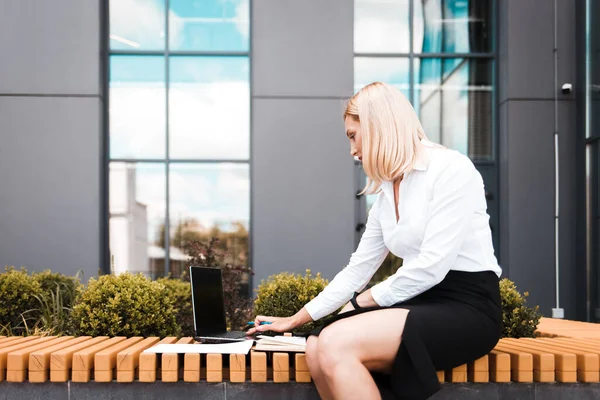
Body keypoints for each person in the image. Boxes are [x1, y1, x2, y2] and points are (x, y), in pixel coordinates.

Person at [247, 82, 503, 400]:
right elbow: (358, 270)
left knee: (336, 343)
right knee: (315, 345)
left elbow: (430, 268)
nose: (352, 150)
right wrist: (295, 319)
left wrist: (359, 303)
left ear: (378, 126)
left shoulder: (451, 169)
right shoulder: (385, 192)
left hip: (467, 307)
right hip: (421, 301)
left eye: (353, 136)